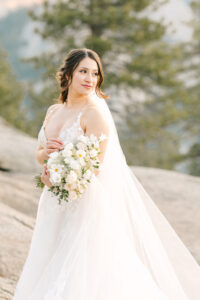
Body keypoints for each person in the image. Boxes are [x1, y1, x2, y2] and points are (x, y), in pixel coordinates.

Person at [13, 48, 200, 300]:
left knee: (80, 270)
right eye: (83, 71)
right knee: (47, 257)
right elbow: (39, 153)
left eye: (95, 73)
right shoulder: (53, 112)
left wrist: (60, 178)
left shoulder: (94, 115)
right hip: (53, 201)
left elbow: (97, 168)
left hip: (82, 205)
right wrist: (45, 156)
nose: (90, 78)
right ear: (68, 74)